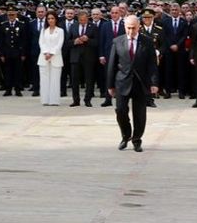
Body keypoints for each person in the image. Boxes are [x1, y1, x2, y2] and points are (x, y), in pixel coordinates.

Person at [107, 15, 158, 152]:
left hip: (140, 83)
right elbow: (112, 64)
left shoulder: (147, 41)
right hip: (122, 82)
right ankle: (126, 135)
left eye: (133, 28)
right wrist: (110, 85)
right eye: (128, 28)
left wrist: (154, 83)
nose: (131, 31)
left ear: (139, 27)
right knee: (120, 111)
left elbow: (152, 64)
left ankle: (136, 140)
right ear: (124, 27)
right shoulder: (117, 41)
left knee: (140, 114)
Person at [66, 8, 97, 107]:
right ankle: (76, 100)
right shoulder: (73, 26)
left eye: (84, 20)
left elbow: (97, 42)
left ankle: (88, 100)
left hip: (88, 57)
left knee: (89, 79)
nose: (82, 22)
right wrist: (74, 42)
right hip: (75, 57)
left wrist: (88, 40)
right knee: (74, 80)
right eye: (80, 20)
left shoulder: (93, 27)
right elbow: (67, 42)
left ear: (87, 18)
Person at [37, 11, 64, 106]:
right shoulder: (44, 30)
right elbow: (41, 42)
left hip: (55, 57)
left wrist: (51, 53)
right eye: (48, 19)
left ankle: (54, 100)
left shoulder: (60, 31)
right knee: (44, 80)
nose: (50, 20)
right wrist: (45, 52)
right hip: (44, 57)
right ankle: (45, 100)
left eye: (52, 18)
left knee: (55, 79)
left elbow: (59, 44)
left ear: (56, 19)